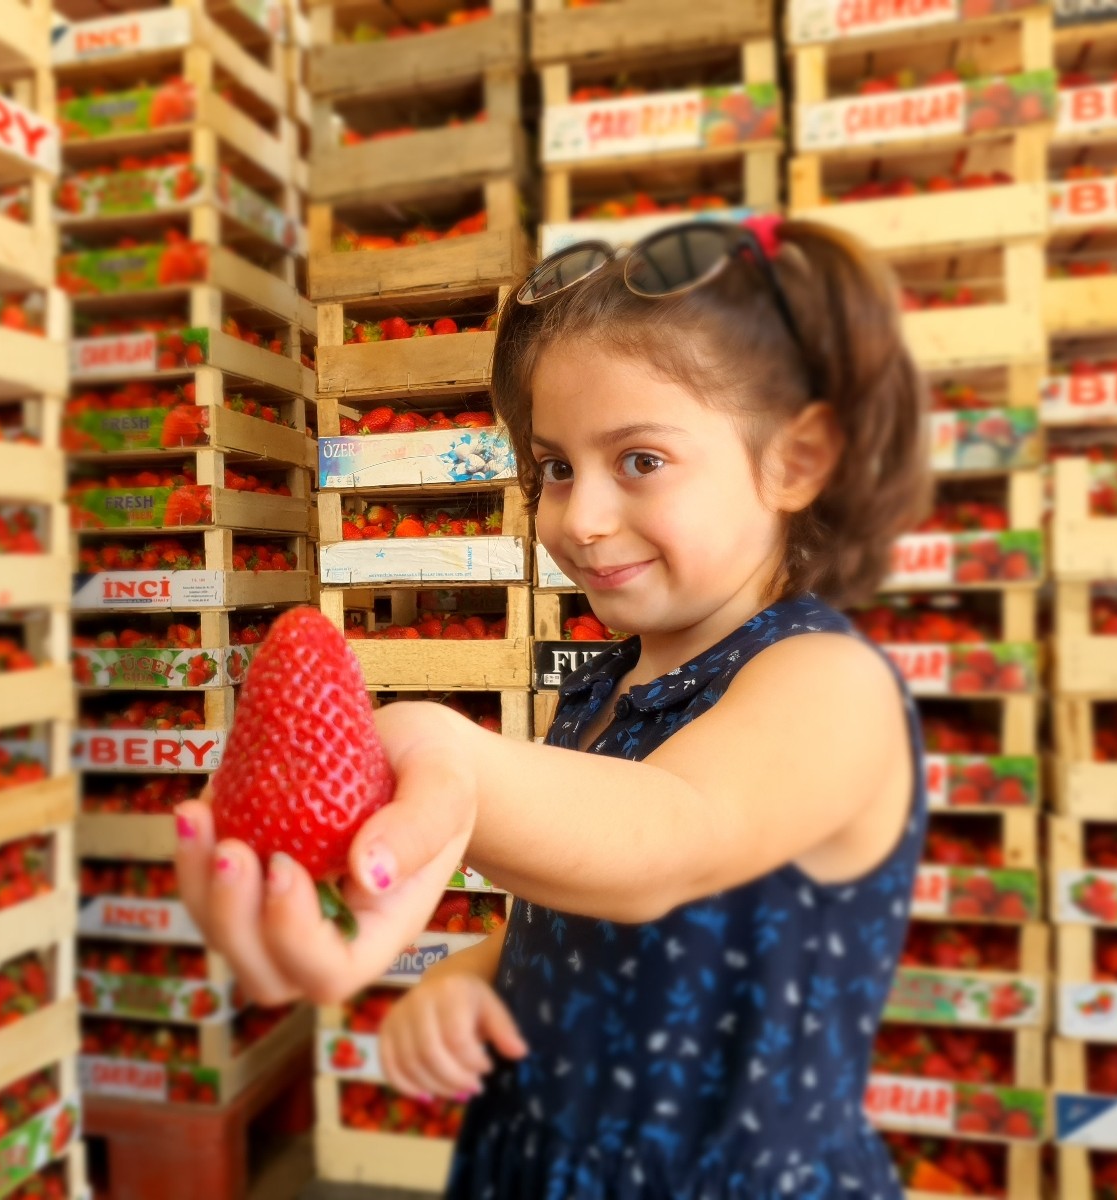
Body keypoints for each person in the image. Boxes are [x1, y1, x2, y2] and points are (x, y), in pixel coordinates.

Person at [174, 216, 933, 1198]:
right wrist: (470, 978)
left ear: (796, 459)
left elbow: (670, 834)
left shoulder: (830, 684)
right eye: (557, 468)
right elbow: (588, 918)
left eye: (640, 461)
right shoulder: (606, 689)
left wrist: (437, 747)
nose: (581, 517)